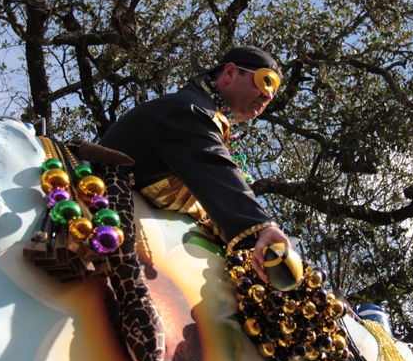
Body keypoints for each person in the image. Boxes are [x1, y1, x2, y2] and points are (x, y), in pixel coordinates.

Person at [96, 46, 292, 281]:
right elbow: (215, 169)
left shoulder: (213, 122)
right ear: (229, 73)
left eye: (274, 91)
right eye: (265, 82)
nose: (268, 96)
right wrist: (259, 229)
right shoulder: (188, 111)